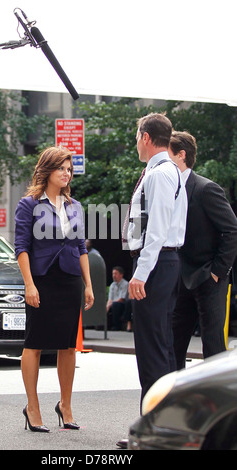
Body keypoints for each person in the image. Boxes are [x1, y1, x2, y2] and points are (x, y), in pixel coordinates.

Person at [14, 146, 94, 433]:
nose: (66, 172)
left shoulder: (75, 206)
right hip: (42, 280)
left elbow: (80, 246)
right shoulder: (29, 205)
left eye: (69, 168)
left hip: (70, 279)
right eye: (61, 167)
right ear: (47, 170)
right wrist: (29, 284)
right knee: (34, 343)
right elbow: (21, 247)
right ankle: (32, 407)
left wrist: (88, 285)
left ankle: (65, 405)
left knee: (68, 346)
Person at [124, 113, 188, 406]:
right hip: (161, 263)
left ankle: (154, 427)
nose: (136, 143)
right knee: (160, 346)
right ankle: (162, 425)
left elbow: (157, 229)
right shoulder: (165, 171)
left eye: (137, 137)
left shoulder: (161, 173)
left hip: (157, 264)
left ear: (146, 137)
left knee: (152, 349)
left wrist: (141, 272)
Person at [169, 131, 237, 369]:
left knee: (213, 344)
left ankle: (219, 403)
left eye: (167, 155)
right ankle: (176, 398)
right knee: (174, 342)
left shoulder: (206, 189)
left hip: (209, 277)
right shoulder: (169, 189)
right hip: (179, 278)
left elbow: (232, 230)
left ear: (181, 155)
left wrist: (218, 270)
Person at [106, 266, 131, 330]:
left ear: (121, 275)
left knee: (115, 305)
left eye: (116, 273)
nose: (114, 275)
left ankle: (117, 326)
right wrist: (107, 306)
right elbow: (110, 299)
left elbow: (122, 298)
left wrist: (112, 304)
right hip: (114, 303)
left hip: (122, 303)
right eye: (113, 274)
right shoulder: (112, 285)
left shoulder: (125, 284)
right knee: (107, 306)